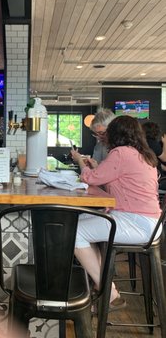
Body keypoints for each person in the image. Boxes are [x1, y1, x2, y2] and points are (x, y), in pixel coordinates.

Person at [71, 116, 161, 309]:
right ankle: (101, 287)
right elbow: (123, 185)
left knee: (74, 231)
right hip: (149, 223)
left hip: (137, 223)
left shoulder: (121, 153)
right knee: (83, 221)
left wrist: (80, 161)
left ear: (115, 134)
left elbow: (91, 179)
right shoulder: (143, 154)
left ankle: (109, 293)